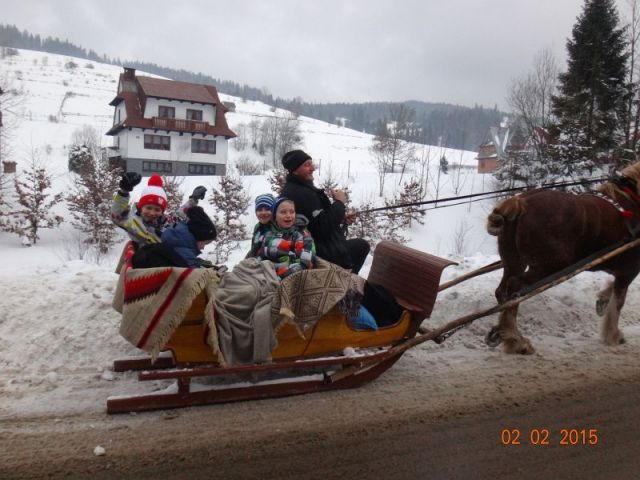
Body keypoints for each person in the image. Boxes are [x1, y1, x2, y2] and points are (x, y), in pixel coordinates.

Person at [280, 149, 370, 273]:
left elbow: (316, 220)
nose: (313, 168)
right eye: (307, 165)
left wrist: (341, 217)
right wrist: (339, 203)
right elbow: (323, 228)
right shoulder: (300, 193)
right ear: (295, 170)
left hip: (319, 248)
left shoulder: (299, 188)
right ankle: (347, 283)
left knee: (360, 246)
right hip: (321, 253)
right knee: (362, 246)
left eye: (312, 164)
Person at [111, 172, 206, 247]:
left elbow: (180, 215)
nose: (152, 213)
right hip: (142, 263)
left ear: (162, 211)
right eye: (148, 208)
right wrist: (124, 191)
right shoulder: (133, 221)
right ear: (141, 207)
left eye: (157, 210)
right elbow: (117, 215)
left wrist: (193, 199)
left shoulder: (165, 223)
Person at [260, 197, 316, 279]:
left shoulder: (302, 236)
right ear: (275, 216)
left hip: (291, 277)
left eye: (292, 212)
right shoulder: (268, 235)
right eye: (283, 212)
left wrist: (280, 275)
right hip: (266, 274)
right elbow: (262, 256)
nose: (288, 215)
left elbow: (306, 263)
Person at [248, 193, 275, 257]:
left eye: (267, 209)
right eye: (259, 210)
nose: (263, 213)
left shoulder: (278, 227)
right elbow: (254, 249)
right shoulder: (257, 227)